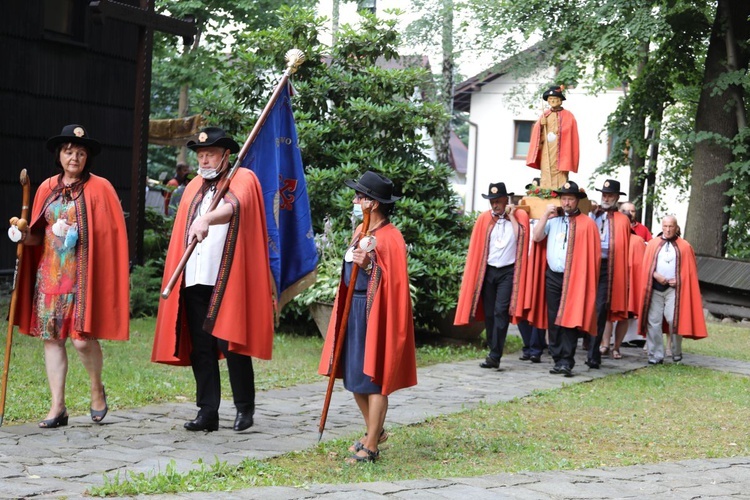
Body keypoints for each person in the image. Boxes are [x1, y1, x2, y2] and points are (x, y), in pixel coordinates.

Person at [152, 127, 274, 432]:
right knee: (201, 346)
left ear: (226, 156)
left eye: (211, 154)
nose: (205, 160)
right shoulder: (193, 185)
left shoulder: (242, 178)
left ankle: (244, 408)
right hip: (194, 276)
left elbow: (235, 206)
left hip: (226, 277)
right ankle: (208, 411)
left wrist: (207, 217)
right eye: (201, 155)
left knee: (230, 341)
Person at [9, 124, 129, 428]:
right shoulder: (46, 188)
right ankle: (57, 407)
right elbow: (36, 235)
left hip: (83, 279)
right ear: (59, 155)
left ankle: (95, 389)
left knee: (81, 341)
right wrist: (22, 237)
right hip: (49, 277)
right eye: (68, 151)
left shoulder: (100, 188)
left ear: (87, 158)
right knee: (52, 341)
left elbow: (110, 235)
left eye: (80, 153)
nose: (74, 157)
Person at [318, 171, 417, 463]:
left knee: (374, 379)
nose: (354, 200)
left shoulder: (391, 237)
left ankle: (371, 444)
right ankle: (377, 431)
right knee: (353, 377)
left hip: (376, 314)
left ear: (372, 203)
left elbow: (393, 281)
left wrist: (371, 266)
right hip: (354, 310)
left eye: (359, 196)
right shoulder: (360, 231)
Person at [455, 182, 532, 368]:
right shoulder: (484, 218)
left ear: (506, 199)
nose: (495, 205)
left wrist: (512, 216)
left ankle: (495, 355)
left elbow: (521, 237)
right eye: (492, 202)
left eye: (498, 201)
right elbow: (478, 247)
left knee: (500, 312)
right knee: (489, 313)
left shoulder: (519, 215)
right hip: (488, 271)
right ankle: (492, 349)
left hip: (508, 271)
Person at [531, 181, 600, 377]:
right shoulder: (553, 221)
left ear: (577, 201)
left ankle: (567, 360)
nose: (566, 202)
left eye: (570, 199)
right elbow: (536, 237)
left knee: (570, 318)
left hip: (575, 277)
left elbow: (592, 256)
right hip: (553, 275)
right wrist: (545, 215)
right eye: (564, 198)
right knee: (554, 319)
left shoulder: (587, 224)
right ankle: (556, 357)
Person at [638, 216, 707, 364]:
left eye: (671, 226)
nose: (668, 229)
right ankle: (655, 355)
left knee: (673, 320)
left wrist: (679, 279)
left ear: (676, 227)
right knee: (653, 321)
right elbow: (645, 267)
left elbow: (690, 270)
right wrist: (655, 275)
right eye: (665, 226)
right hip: (655, 288)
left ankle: (676, 351)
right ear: (662, 227)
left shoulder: (684, 246)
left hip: (674, 290)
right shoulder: (653, 244)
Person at [586, 179, 631, 369]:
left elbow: (623, 247)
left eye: (610, 195)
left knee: (601, 307)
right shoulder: (591, 215)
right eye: (604, 195)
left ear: (616, 198)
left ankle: (594, 351)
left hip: (608, 267)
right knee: (585, 306)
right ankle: (585, 344)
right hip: (589, 265)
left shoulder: (622, 220)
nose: (606, 198)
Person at [526, 85, 580, 189]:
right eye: (550, 99)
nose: (553, 101)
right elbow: (537, 135)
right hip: (547, 149)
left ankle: (560, 189)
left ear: (560, 100)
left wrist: (560, 131)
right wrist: (541, 126)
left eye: (555, 99)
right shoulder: (545, 115)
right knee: (546, 168)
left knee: (560, 171)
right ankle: (546, 189)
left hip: (562, 150)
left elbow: (570, 133)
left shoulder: (568, 115)